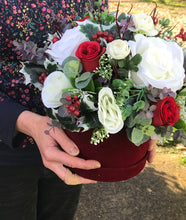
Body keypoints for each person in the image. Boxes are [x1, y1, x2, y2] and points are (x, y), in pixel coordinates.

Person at [0, 0, 157, 219]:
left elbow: (102, 42)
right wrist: (25, 122)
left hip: (73, 143)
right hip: (8, 152)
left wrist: (147, 111)